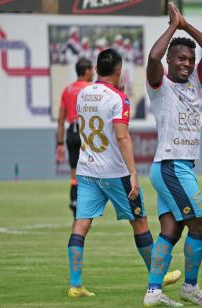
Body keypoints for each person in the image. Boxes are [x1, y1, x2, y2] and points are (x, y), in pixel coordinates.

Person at [66, 48, 180, 298]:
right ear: (118, 70)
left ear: (97, 69)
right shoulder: (118, 98)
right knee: (139, 221)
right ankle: (158, 274)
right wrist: (133, 173)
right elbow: (122, 136)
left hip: (86, 170)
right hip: (114, 172)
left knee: (81, 224)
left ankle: (75, 284)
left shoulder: (84, 93)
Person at [142, 3, 202, 307]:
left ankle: (153, 291)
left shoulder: (195, 83)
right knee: (201, 226)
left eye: (190, 60)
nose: (186, 64)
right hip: (172, 166)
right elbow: (152, 57)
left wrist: (186, 26)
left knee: (171, 231)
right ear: (170, 61)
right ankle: (189, 287)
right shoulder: (159, 84)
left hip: (177, 166)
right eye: (181, 59)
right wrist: (173, 27)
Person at [55, 58, 93, 219]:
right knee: (90, 170)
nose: (94, 73)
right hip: (86, 131)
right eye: (92, 70)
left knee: (74, 174)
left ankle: (74, 201)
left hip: (71, 131)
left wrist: (60, 142)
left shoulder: (67, 90)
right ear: (86, 71)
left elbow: (60, 118)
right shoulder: (91, 88)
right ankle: (89, 204)